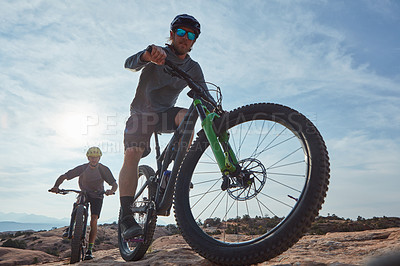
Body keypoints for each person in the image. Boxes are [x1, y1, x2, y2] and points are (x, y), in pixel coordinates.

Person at [119, 14, 211, 240]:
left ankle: (175, 171)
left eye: (191, 35)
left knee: (189, 116)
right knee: (133, 153)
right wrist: (147, 55)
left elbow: (205, 96)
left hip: (164, 115)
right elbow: (129, 64)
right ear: (172, 35)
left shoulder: (193, 67)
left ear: (194, 41)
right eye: (181, 32)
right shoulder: (158, 52)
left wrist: (219, 114)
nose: (185, 38)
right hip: (141, 113)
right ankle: (126, 216)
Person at [49, 147, 118, 260]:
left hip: (97, 195)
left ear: (99, 158)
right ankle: (71, 227)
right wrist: (56, 186)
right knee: (79, 203)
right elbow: (65, 176)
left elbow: (114, 184)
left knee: (94, 219)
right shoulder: (83, 168)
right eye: (91, 157)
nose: (94, 160)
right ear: (88, 158)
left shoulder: (103, 169)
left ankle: (89, 250)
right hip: (84, 193)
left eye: (96, 157)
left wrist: (111, 191)